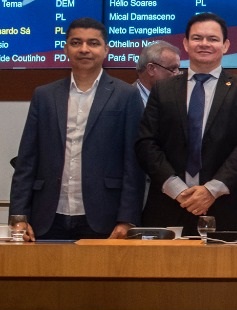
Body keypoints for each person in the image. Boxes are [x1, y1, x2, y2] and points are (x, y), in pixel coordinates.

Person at [9, 17, 145, 241]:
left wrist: (127, 219)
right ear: (66, 48)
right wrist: (18, 215)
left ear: (106, 50)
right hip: (46, 216)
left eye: (93, 43)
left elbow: (134, 163)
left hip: (105, 217)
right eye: (76, 42)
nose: (84, 49)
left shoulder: (125, 95)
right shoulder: (44, 95)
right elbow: (27, 160)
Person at [136, 12, 237, 233]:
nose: (204, 44)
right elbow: (146, 142)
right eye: (197, 38)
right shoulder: (163, 90)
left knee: (226, 268)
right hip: (170, 204)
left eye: (213, 39)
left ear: (225, 45)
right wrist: (177, 189)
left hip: (226, 207)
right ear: (186, 43)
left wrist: (211, 190)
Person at [132, 40, 181, 106]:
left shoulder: (177, 99)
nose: (177, 74)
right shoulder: (125, 99)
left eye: (178, 69)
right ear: (151, 69)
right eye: (172, 69)